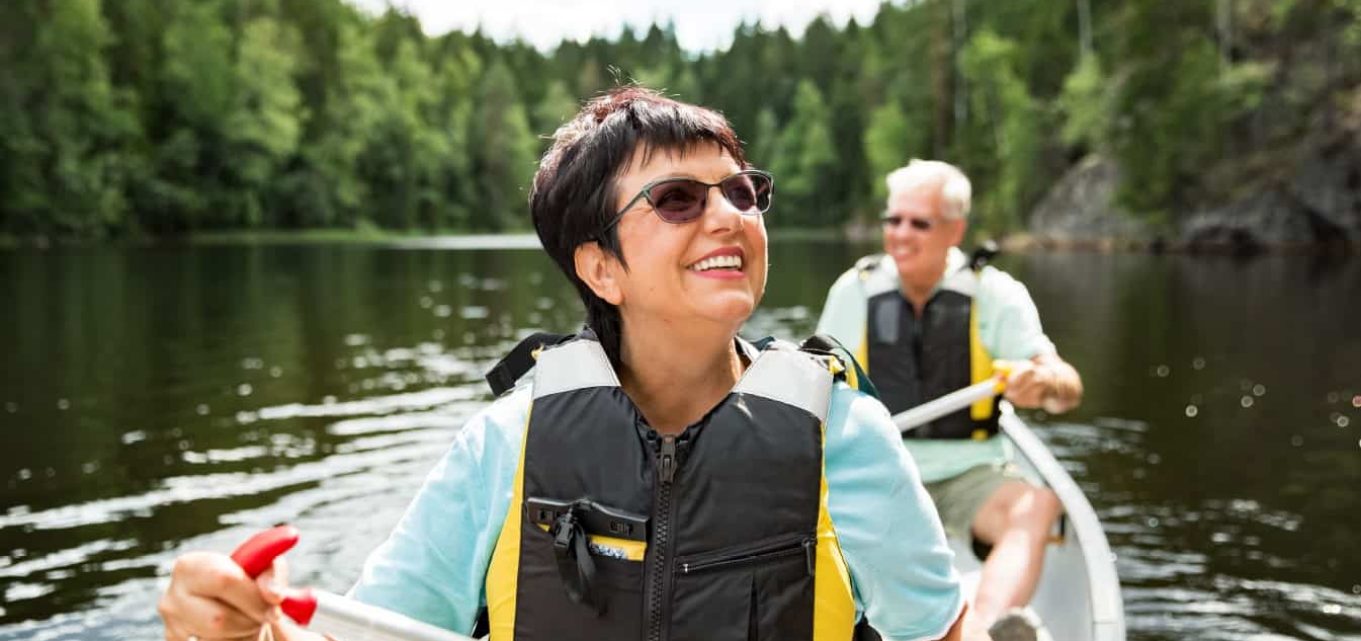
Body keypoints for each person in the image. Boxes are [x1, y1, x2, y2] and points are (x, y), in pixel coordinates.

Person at [157, 89, 968, 641]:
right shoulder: (503, 445)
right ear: (600, 268)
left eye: (742, 191)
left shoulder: (844, 434)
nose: (729, 215)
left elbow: (937, 631)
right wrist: (243, 630)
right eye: (678, 199)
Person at [815, 160, 1083, 641]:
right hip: (877, 468)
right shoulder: (854, 292)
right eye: (893, 220)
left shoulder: (995, 293)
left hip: (969, 474)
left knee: (1037, 506)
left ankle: (983, 626)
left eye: (919, 223)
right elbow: (815, 387)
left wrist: (1043, 383)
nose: (900, 234)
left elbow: (1067, 386)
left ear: (955, 230)